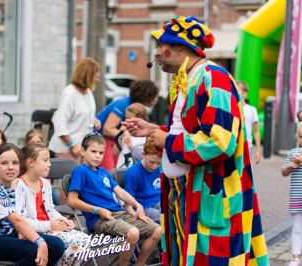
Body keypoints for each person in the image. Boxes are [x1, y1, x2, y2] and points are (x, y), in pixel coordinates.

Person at [122, 16, 268, 265]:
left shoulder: (214, 79)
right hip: (185, 195)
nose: (156, 53)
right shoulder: (188, 79)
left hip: (211, 195)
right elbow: (191, 130)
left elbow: (220, 141)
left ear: (180, 46)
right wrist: (154, 130)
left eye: (160, 45)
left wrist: (167, 140)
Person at [68, 133, 161, 266]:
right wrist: (98, 210)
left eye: (101, 152)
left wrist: (137, 205)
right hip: (99, 219)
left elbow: (121, 192)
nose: (97, 156)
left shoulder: (104, 171)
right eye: (93, 151)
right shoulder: (80, 170)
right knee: (133, 233)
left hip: (119, 214)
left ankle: (139, 264)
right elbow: (72, 201)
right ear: (83, 151)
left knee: (157, 230)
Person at [0, 143, 65, 265]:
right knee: (34, 250)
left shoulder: (20, 186)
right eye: (4, 163)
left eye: (15, 163)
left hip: (11, 235)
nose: (10, 167)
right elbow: (17, 221)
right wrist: (40, 241)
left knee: (57, 245)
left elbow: (21, 217)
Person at [17, 142, 89, 266]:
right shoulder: (19, 186)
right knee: (77, 241)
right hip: (34, 232)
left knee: (85, 239)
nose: (49, 164)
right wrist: (50, 225)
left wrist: (62, 220)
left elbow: (51, 210)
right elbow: (21, 221)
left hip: (50, 228)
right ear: (31, 162)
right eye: (45, 160)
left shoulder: (45, 184)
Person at [96, 80, 159, 172]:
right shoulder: (123, 105)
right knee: (110, 171)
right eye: (152, 97)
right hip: (104, 138)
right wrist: (126, 135)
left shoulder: (134, 107)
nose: (155, 100)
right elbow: (107, 129)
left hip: (115, 140)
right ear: (144, 96)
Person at [48, 57, 101, 165]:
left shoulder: (88, 91)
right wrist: (72, 145)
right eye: (96, 77)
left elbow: (81, 112)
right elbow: (59, 123)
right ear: (88, 77)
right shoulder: (69, 94)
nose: (98, 80)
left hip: (82, 148)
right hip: (67, 149)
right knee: (70, 181)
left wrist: (92, 119)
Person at [123, 137, 161, 224]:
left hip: (158, 202)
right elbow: (128, 205)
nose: (154, 166)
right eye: (151, 162)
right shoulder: (133, 173)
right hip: (144, 207)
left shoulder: (160, 168)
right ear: (143, 154)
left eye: (158, 163)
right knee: (166, 217)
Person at [282, 122, 302, 266]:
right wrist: (290, 165)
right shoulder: (293, 152)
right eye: (301, 136)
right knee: (297, 228)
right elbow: (284, 172)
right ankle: (295, 258)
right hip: (296, 197)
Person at [25, 129, 59, 206]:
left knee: (55, 196)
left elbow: (45, 172)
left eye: (38, 142)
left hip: (44, 182)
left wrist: (47, 183)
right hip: (30, 184)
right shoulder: (24, 157)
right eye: (32, 142)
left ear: (42, 142)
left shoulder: (44, 155)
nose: (36, 145)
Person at [112, 103, 149, 168]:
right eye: (126, 118)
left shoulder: (144, 136)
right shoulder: (125, 132)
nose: (127, 121)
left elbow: (140, 156)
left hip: (134, 169)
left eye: (130, 118)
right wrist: (120, 136)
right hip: (122, 167)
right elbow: (115, 152)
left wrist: (129, 144)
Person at [236, 81, 261, 163]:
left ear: (244, 93)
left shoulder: (252, 110)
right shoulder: (230, 108)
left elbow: (256, 131)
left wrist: (258, 150)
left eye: (237, 90)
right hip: (234, 145)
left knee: (245, 172)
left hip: (247, 146)